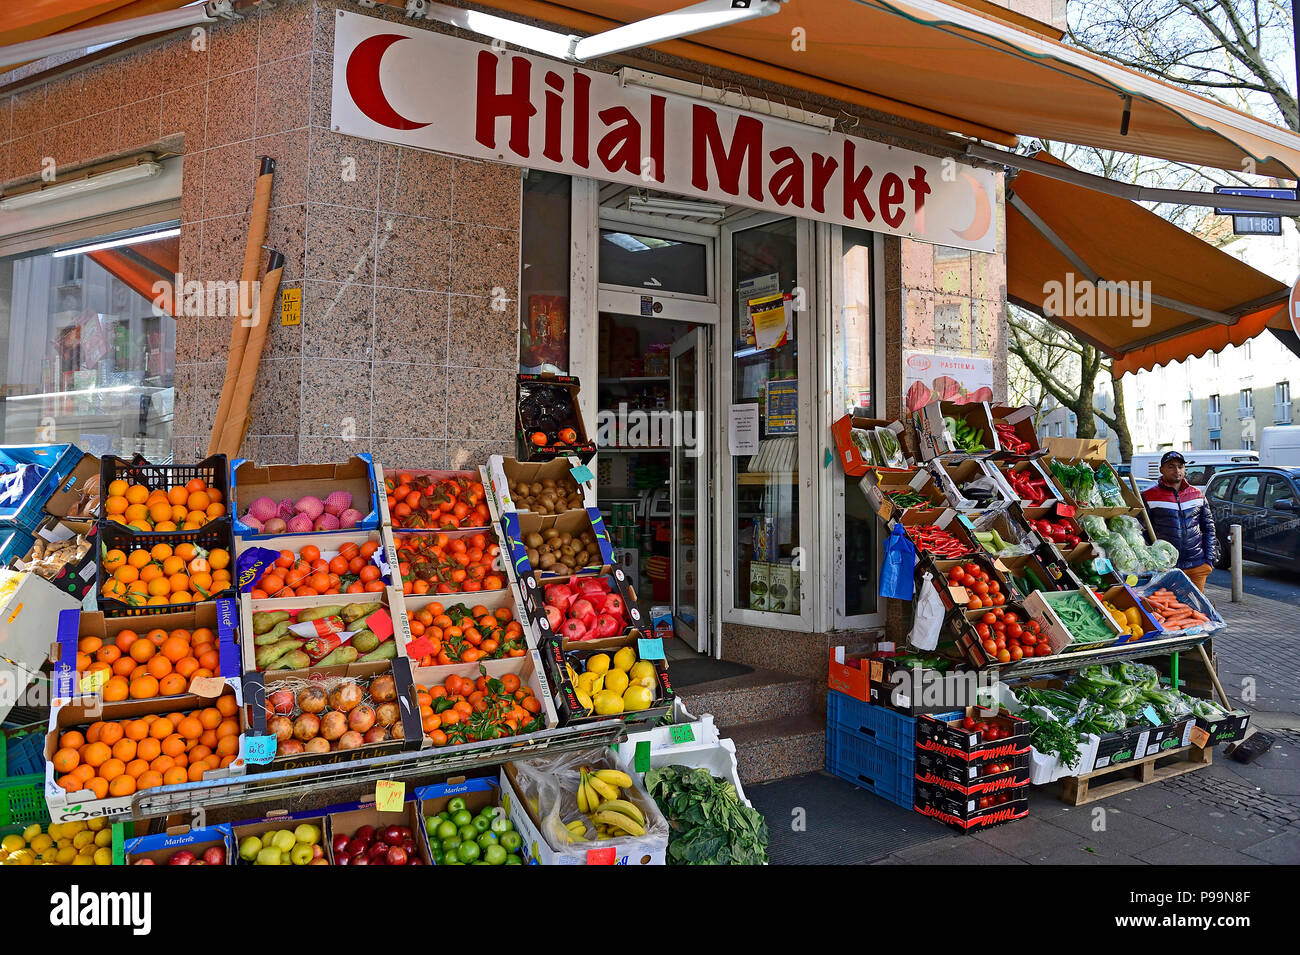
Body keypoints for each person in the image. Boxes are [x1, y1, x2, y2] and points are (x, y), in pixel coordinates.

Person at [1141, 451, 1219, 591]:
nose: (1177, 470)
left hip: (1197, 565)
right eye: (1171, 466)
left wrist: (1209, 560)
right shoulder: (1148, 496)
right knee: (1169, 609)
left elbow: (1208, 528)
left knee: (1197, 609)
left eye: (1180, 466)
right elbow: (1142, 532)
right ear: (1161, 470)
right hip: (1165, 567)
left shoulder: (1197, 494)